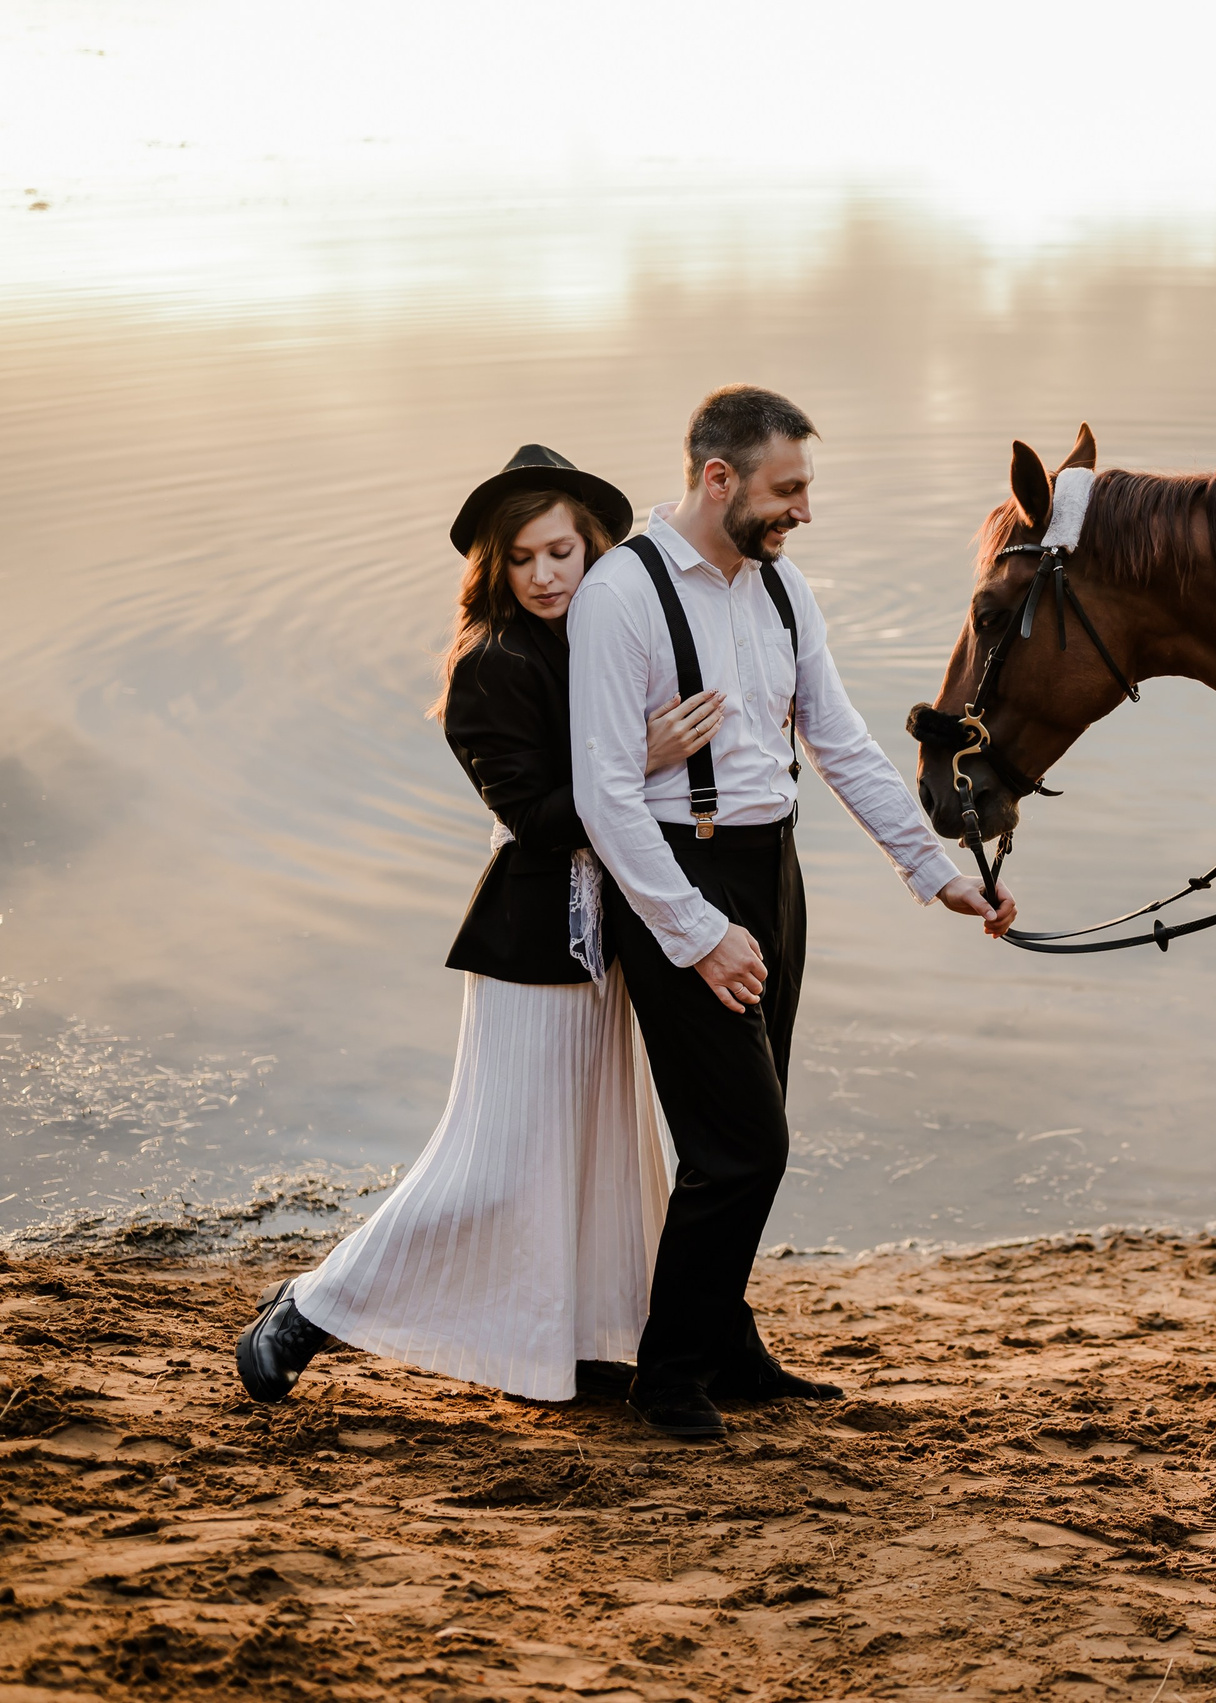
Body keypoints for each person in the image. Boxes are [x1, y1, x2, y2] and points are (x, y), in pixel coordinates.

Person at [235, 446, 727, 1405]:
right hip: (530, 938)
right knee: (493, 1163)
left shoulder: (600, 638)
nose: (543, 576)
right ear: (495, 568)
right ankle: (311, 1307)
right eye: (522, 559)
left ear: (594, 550)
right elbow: (537, 820)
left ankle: (584, 1338)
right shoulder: (489, 666)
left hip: (607, 935)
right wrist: (640, 756)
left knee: (595, 1149)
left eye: (561, 553)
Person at [570, 385, 1017, 1439]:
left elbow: (840, 739)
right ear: (717, 477)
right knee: (744, 1146)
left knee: (743, 1128)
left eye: (805, 489)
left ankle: (724, 1344)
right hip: (675, 878)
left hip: (773, 872)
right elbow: (604, 795)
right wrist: (697, 933)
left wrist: (935, 870)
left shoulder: (782, 587)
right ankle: (667, 1374)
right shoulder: (620, 595)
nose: (803, 511)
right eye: (787, 490)